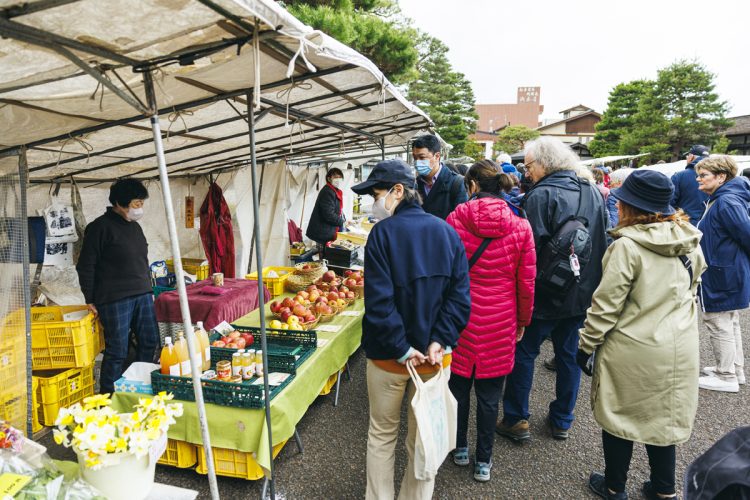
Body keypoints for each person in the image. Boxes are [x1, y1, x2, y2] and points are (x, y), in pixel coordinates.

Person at [578, 169, 706, 500]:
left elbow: (606, 306)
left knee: (620, 415)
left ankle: (614, 486)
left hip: (633, 346)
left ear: (629, 206)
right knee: (662, 420)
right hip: (679, 345)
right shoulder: (689, 239)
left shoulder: (627, 247)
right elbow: (694, 286)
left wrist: (586, 345)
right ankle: (664, 490)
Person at [351, 159, 471, 500]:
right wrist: (440, 340)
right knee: (423, 442)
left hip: (389, 359)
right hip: (434, 361)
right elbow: (460, 299)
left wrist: (402, 347)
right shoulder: (448, 233)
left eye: (376, 194)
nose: (374, 202)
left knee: (382, 434)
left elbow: (379, 303)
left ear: (397, 192)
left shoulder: (382, 235)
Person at [497, 137, 607, 442]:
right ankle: (562, 420)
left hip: (543, 294)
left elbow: (527, 253)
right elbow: (601, 243)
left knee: (524, 353)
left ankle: (517, 418)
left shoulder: (540, 195)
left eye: (529, 165)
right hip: (580, 294)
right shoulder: (592, 191)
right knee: (569, 356)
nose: (526, 172)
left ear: (544, 162)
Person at [445, 160, 536, 482]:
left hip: (460, 316)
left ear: (471, 185)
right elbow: (526, 281)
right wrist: (523, 320)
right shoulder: (521, 226)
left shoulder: (455, 219)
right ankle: (483, 461)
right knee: (489, 395)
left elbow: (445, 272)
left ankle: (458, 448)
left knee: (456, 388)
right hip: (501, 317)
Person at [76, 179, 160, 394]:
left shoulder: (135, 227)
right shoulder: (99, 228)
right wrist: (90, 298)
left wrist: (148, 289)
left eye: (141, 203)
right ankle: (108, 397)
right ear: (120, 203)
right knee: (117, 350)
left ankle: (139, 386)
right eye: (136, 203)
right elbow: (86, 266)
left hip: (142, 292)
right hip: (114, 298)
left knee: (150, 341)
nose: (139, 208)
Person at [695, 156, 750, 393]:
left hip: (723, 271)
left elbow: (746, 234)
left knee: (718, 321)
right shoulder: (725, 198)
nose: (698, 179)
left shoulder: (726, 202)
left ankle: (725, 374)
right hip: (726, 268)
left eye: (703, 175)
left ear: (721, 177)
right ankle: (734, 370)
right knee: (728, 320)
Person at [412, 134, 468, 219]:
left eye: (422, 157)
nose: (417, 162)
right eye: (415, 158)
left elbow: (461, 221)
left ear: (437, 156)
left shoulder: (456, 183)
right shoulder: (414, 185)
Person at [306, 168, 346, 255]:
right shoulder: (328, 191)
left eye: (340, 177)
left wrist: (344, 218)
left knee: (327, 255)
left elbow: (338, 210)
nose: (338, 179)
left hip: (327, 230)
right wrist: (342, 222)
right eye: (335, 177)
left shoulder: (335, 191)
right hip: (322, 231)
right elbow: (328, 214)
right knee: (324, 257)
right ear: (329, 178)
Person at [671, 144, 710, 225]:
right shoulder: (716, 177)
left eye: (687, 156)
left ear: (691, 157)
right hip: (707, 225)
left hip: (684, 224)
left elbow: (669, 203)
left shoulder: (679, 176)